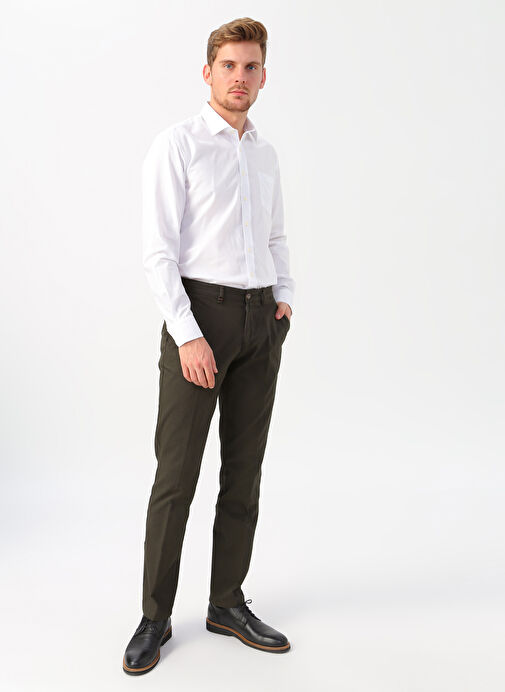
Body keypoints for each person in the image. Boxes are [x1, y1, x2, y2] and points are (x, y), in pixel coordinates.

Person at [123, 17, 295, 675]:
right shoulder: (179, 145)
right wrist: (188, 333)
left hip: (259, 321)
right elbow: (158, 252)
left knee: (244, 472)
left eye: (251, 67)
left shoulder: (265, 154)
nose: (239, 78)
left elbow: (275, 236)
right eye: (229, 66)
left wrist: (283, 298)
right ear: (208, 72)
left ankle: (227, 602)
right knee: (176, 477)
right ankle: (154, 616)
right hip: (200, 318)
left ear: (263, 75)